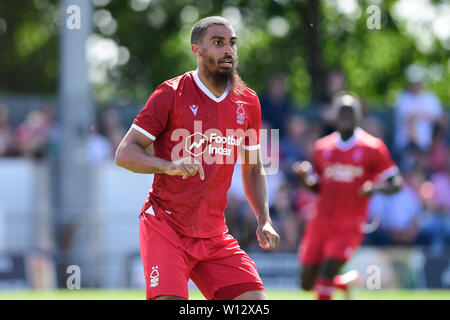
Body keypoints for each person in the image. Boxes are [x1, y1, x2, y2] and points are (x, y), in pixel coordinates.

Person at [115, 16, 279, 300]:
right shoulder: (170, 93)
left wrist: (264, 218)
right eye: (217, 43)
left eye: (232, 43)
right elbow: (125, 153)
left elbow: (252, 168)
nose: (228, 49)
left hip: (214, 234)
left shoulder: (248, 101)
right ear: (197, 50)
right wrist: (168, 166)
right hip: (166, 226)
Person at [292, 91, 403, 300]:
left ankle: (333, 284)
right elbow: (318, 188)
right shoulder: (322, 147)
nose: (345, 117)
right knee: (306, 283)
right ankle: (344, 282)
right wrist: (304, 179)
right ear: (334, 116)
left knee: (326, 273)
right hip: (320, 221)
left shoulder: (373, 147)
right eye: (341, 112)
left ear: (359, 116)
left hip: (350, 223)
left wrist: (375, 188)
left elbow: (396, 184)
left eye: (350, 112)